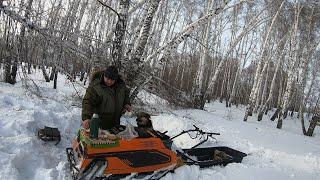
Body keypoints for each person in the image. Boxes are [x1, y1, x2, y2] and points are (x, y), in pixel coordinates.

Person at [82, 65, 131, 130]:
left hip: (115, 123)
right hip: (99, 125)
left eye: (112, 80)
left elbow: (125, 95)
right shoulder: (95, 87)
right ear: (104, 75)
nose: (109, 81)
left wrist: (127, 103)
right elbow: (88, 102)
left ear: (116, 79)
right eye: (107, 78)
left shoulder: (121, 86)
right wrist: (86, 117)